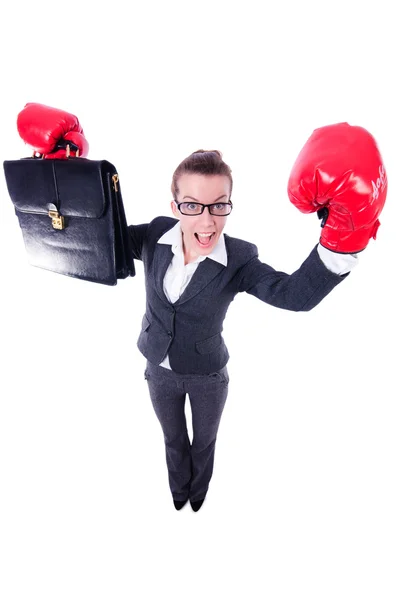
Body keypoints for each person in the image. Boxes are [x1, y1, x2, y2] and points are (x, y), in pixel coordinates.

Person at [16, 105, 388, 512]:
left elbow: (294, 296)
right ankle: (179, 495)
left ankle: (199, 497)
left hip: (209, 375)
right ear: (175, 206)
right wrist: (64, 175)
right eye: (193, 205)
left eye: (219, 205)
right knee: (173, 440)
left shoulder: (241, 258)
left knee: (204, 442)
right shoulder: (155, 235)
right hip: (158, 368)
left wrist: (345, 239)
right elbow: (98, 243)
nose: (207, 221)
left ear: (230, 203)